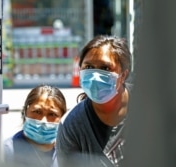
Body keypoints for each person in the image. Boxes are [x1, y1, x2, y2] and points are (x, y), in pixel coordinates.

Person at [55, 35, 133, 167]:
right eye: (89, 67)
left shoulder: (149, 107)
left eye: (105, 68)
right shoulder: (72, 124)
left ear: (123, 75)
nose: (95, 76)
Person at [3, 85, 67, 167]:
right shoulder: (7, 152)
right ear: (26, 111)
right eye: (37, 112)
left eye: (52, 114)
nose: (43, 121)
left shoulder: (66, 152)